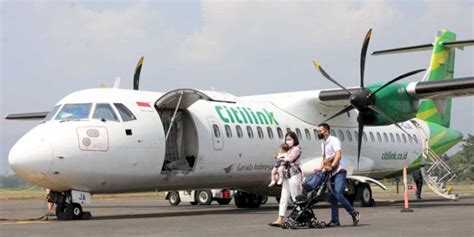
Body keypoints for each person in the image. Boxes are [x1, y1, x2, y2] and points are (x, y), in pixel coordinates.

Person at [317, 123, 360, 227]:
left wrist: (332, 165)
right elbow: (324, 158)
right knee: (332, 197)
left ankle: (353, 213)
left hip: (339, 170)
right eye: (318, 131)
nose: (318, 133)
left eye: (320, 131)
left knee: (338, 194)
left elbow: (338, 154)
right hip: (330, 171)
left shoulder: (334, 140)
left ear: (326, 131)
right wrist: (320, 168)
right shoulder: (323, 143)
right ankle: (335, 220)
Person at [269, 131, 302, 227]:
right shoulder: (287, 150)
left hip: (294, 173)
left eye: (290, 139)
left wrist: (281, 156)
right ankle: (280, 218)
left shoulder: (296, 149)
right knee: (284, 197)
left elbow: (289, 159)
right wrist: (281, 156)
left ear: (294, 139)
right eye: (287, 139)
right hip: (286, 174)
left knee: (295, 196)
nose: (288, 141)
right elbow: (283, 158)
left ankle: (299, 216)